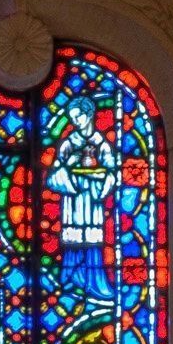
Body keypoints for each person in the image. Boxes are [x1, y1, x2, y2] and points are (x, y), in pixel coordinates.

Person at [48, 106, 117, 300]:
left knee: (93, 239)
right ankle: (71, 280)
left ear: (89, 114)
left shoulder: (101, 144)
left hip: (92, 199)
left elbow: (112, 173)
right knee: (73, 238)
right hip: (73, 199)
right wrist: (70, 164)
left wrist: (99, 176)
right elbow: (54, 174)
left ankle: (94, 282)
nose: (75, 121)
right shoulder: (68, 144)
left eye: (78, 116)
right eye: (72, 117)